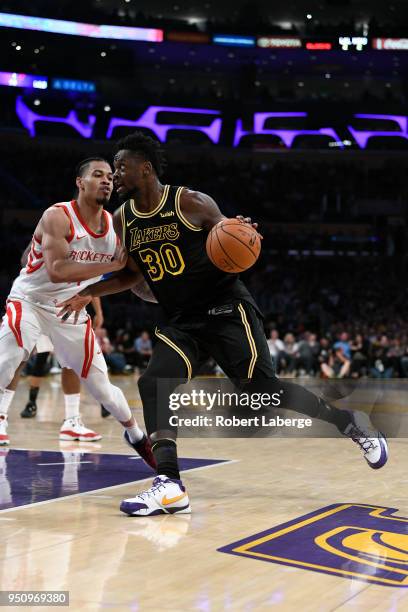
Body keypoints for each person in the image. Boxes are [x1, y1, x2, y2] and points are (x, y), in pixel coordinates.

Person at [58, 132, 388, 517]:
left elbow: (232, 234)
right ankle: (169, 484)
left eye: (122, 166)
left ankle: (349, 422)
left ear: (144, 168)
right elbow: (131, 274)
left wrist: (242, 230)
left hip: (226, 310)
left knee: (264, 392)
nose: (116, 174)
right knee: (154, 383)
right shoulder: (123, 220)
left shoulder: (191, 202)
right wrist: (90, 292)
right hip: (181, 321)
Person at [0, 157, 155, 469]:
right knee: (10, 355)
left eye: (110, 176)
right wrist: (113, 266)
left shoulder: (116, 226)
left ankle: (136, 435)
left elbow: (132, 276)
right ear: (80, 182)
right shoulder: (58, 216)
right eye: (97, 175)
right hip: (29, 300)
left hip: (69, 309)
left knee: (103, 389)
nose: (107, 180)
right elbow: (58, 270)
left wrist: (91, 294)